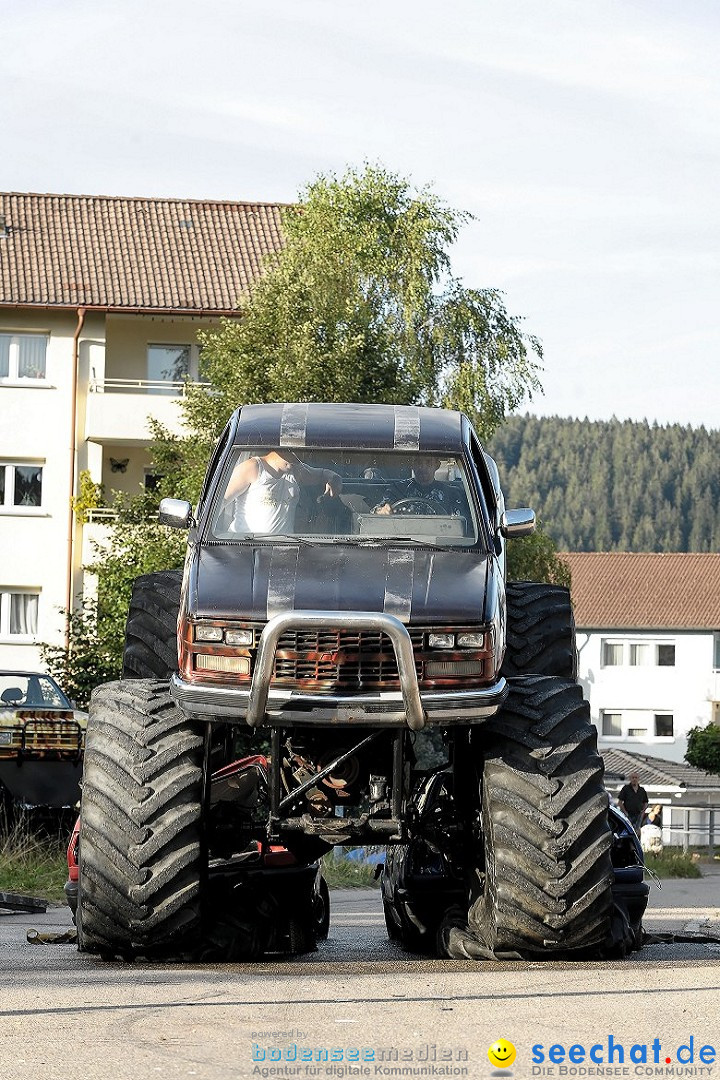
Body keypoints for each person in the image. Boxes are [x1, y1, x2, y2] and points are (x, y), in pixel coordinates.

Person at [222, 450, 342, 535]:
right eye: (292, 452)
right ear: (278, 448)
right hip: (244, 548)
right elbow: (220, 502)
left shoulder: (296, 471)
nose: (297, 459)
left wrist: (334, 479)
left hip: (282, 550)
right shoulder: (252, 467)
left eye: (300, 453)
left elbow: (323, 474)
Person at [373, 454, 464, 515]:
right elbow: (378, 509)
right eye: (418, 462)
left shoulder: (451, 493)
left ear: (437, 465)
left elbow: (460, 521)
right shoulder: (397, 490)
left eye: (428, 462)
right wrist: (381, 511)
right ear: (411, 464)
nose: (423, 467)